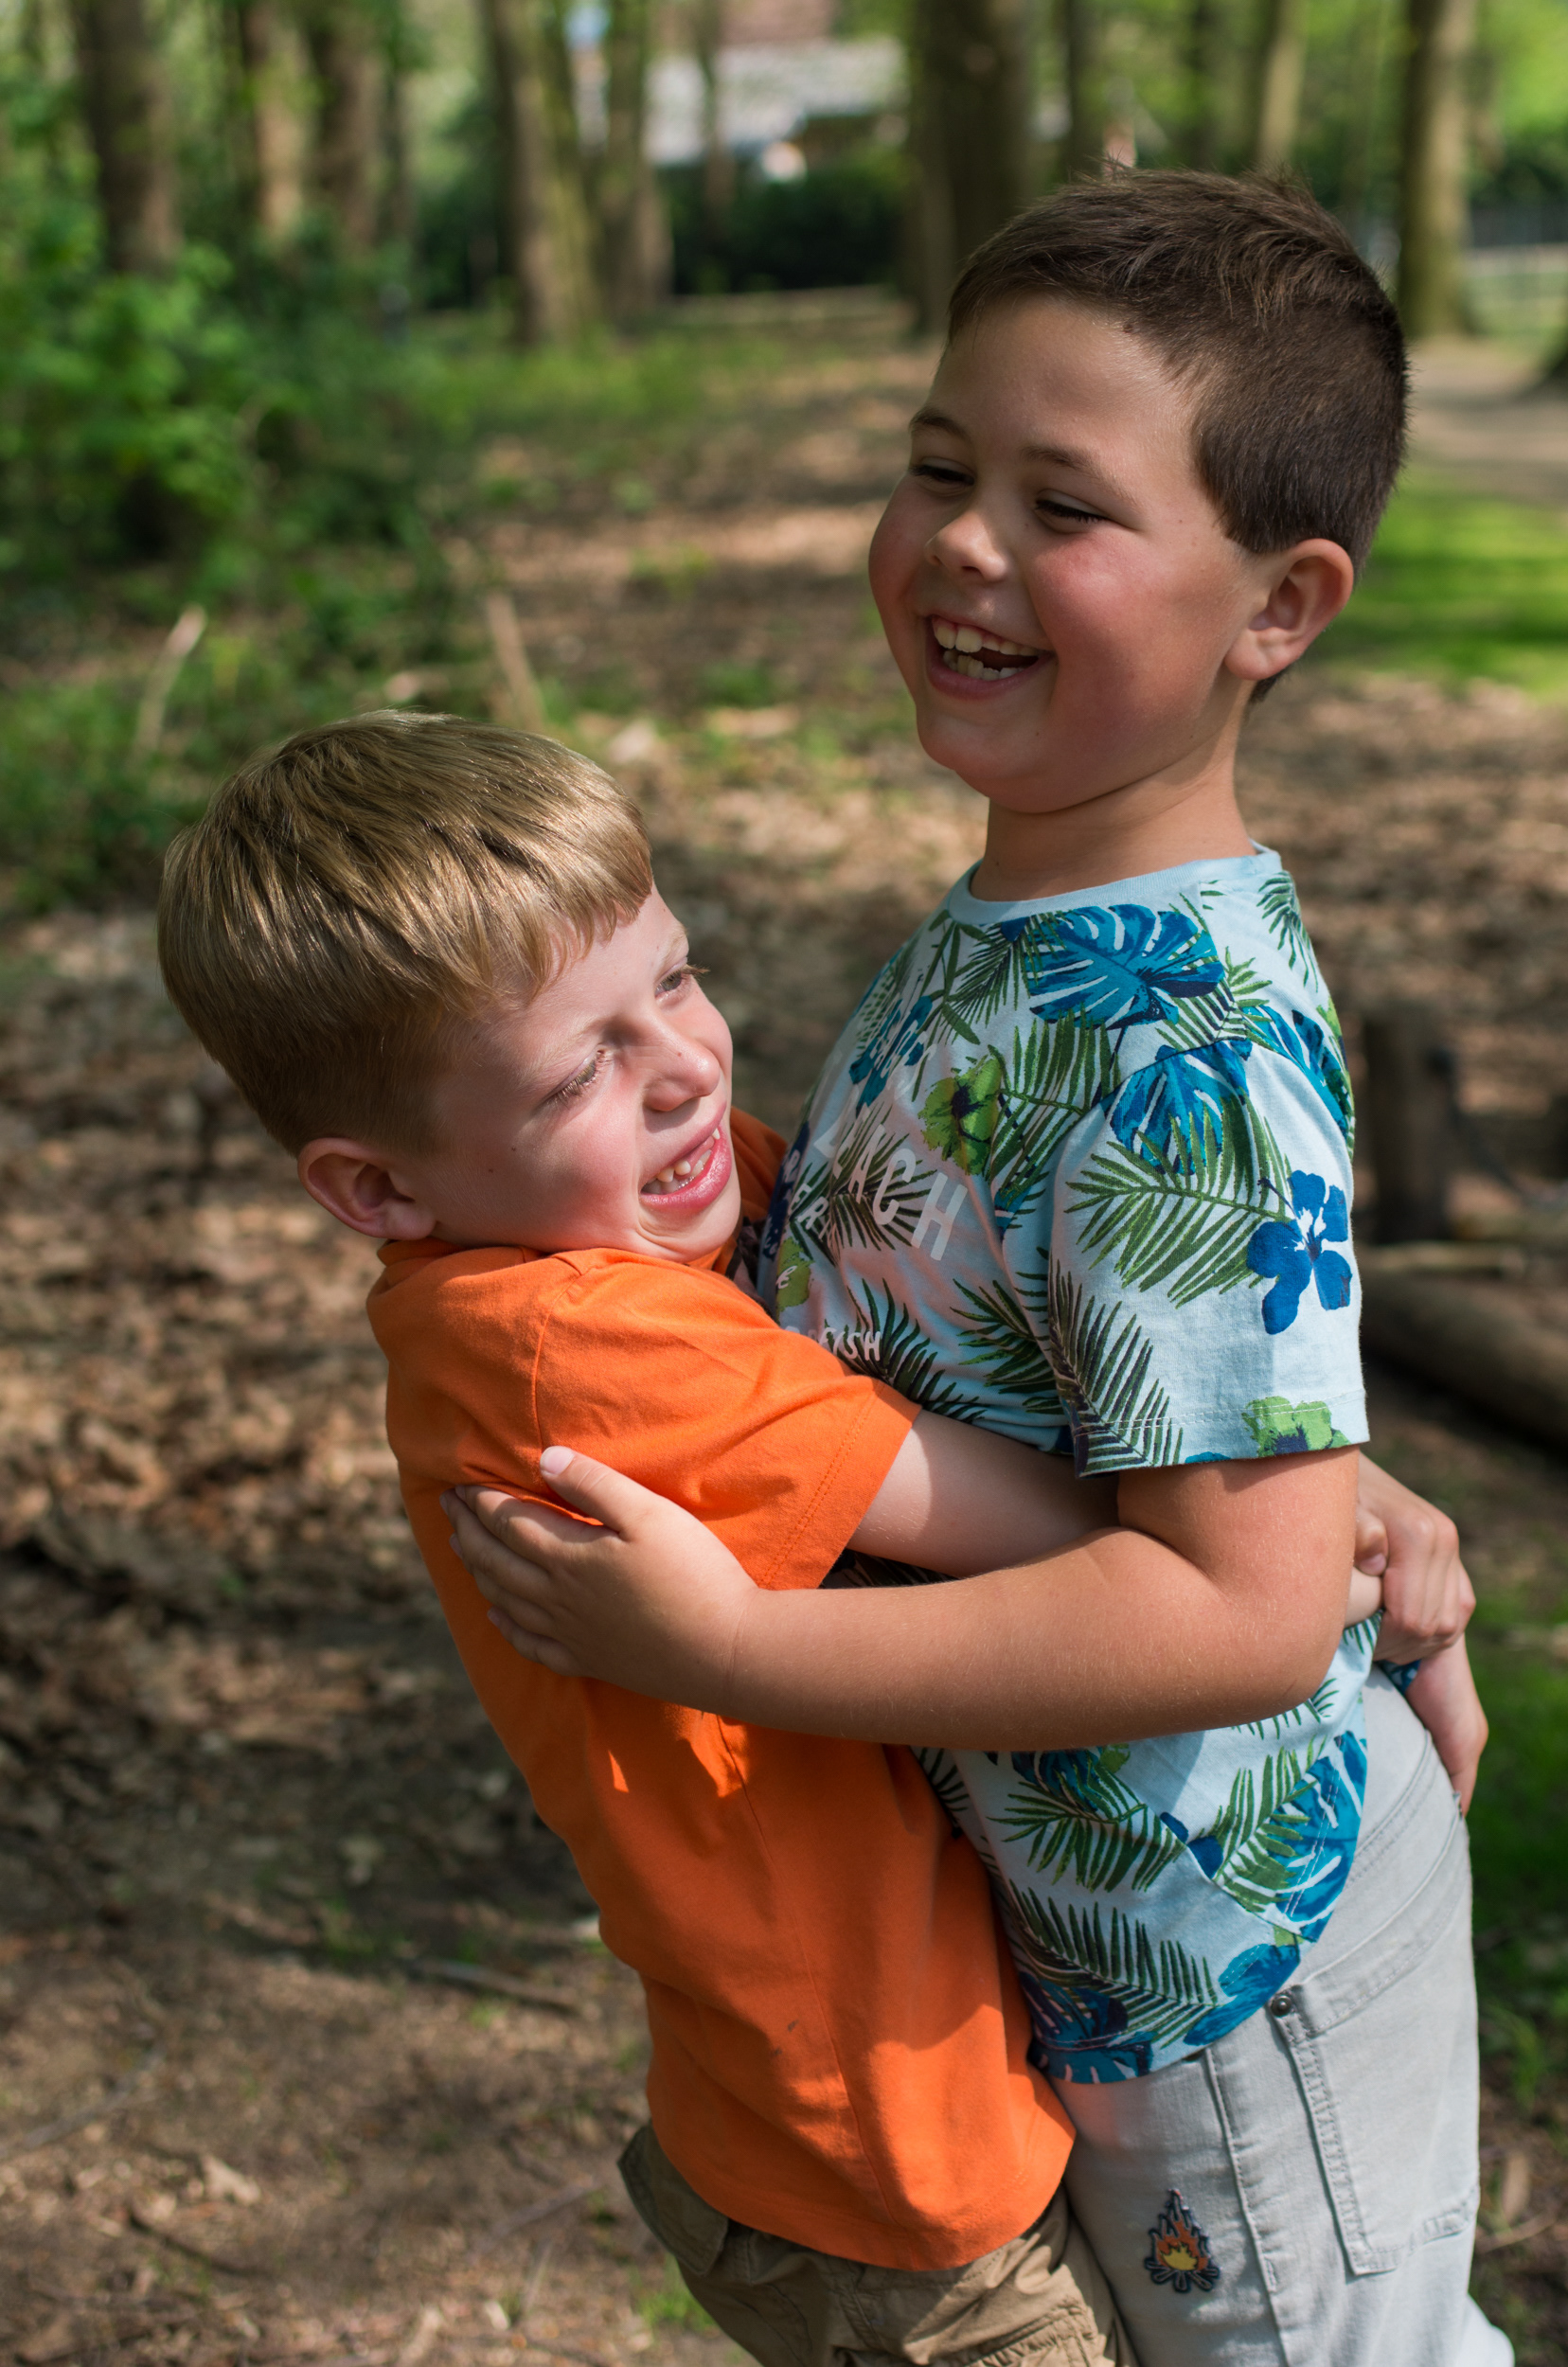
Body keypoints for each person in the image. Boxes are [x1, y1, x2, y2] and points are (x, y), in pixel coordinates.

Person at [441, 175, 1505, 2367]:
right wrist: (1329, 1477)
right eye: (940, 467)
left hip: (1228, 1958)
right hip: (1110, 1933)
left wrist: (730, 1645)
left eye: (1065, 505)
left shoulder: (1176, 1047)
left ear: (1281, 604)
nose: (965, 545)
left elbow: (1232, 1618)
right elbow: (1059, 1346)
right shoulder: (1031, 926)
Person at [156, 712, 1420, 2367]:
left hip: (882, 2089)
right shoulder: (579, 1348)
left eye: (673, 981)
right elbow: (1067, 1516)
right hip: (882, 2151)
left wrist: (1332, 1478)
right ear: (380, 1193)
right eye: (578, 1071)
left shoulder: (630, 1222)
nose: (684, 1067)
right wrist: (1301, 1500)